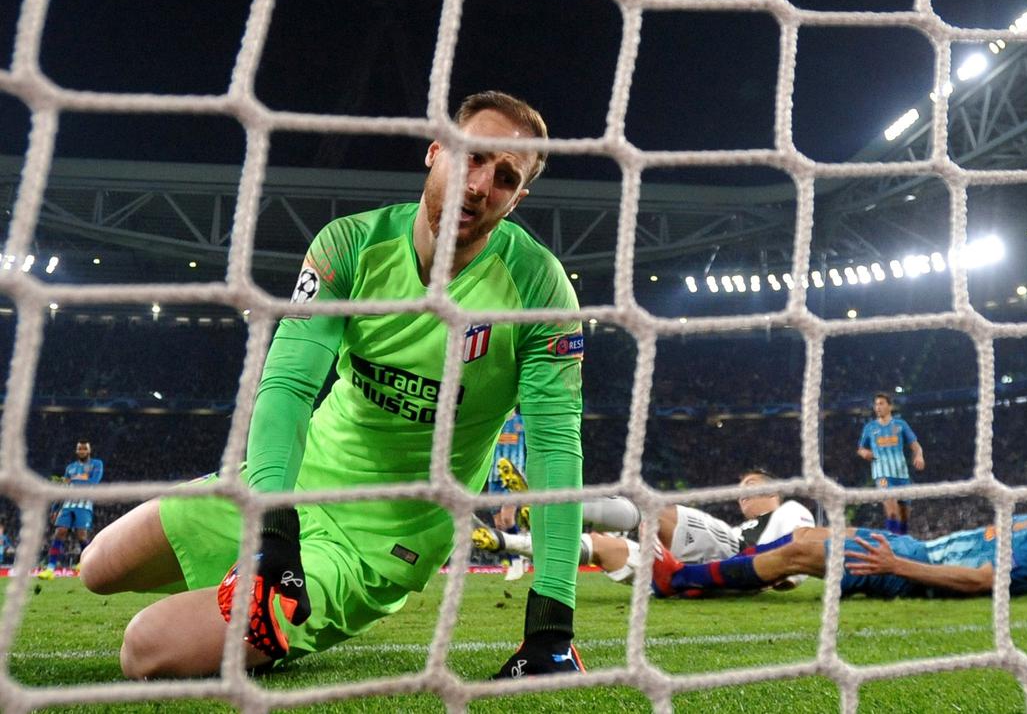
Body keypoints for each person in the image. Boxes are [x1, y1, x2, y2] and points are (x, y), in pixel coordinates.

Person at [79, 91, 587, 680]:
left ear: (518, 197)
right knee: (98, 567)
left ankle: (283, 616)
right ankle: (251, 588)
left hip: (382, 535)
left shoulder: (539, 289)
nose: (479, 185)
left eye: (503, 176)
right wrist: (272, 525)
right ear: (436, 151)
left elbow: (555, 447)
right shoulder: (348, 246)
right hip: (298, 479)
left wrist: (552, 622)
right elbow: (289, 385)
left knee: (145, 649)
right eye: (472, 158)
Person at [653, 446, 1027, 600]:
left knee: (799, 553)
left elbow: (981, 580)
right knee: (801, 534)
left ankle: (681, 580)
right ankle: (726, 575)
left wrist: (897, 567)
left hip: (906, 573)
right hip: (915, 550)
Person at [476, 469, 815, 589]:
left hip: (737, 555)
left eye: (751, 485)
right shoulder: (748, 524)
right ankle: (504, 540)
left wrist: (768, 579)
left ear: (774, 491)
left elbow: (795, 562)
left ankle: (549, 505)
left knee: (654, 510)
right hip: (698, 575)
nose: (742, 492)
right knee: (600, 546)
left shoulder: (790, 509)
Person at [857, 393, 925, 535]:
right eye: (876, 404)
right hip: (882, 475)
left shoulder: (900, 425)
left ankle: (901, 540)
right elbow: (860, 449)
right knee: (892, 511)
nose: (878, 407)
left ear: (890, 406)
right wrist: (865, 453)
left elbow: (916, 446)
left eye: (881, 403)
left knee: (904, 514)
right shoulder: (870, 428)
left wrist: (919, 456)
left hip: (901, 475)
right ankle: (894, 544)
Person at [39, 440, 104, 579]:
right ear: (76, 451)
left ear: (89, 450)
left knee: (81, 535)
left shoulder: (96, 464)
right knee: (60, 532)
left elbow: (94, 482)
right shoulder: (70, 468)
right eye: (80, 449)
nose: (82, 451)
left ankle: (87, 563)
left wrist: (72, 481)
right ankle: (50, 569)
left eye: (84, 449)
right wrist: (55, 508)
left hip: (84, 503)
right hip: (68, 503)